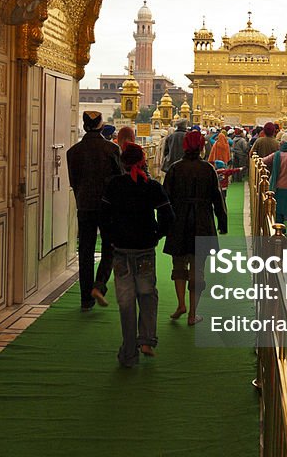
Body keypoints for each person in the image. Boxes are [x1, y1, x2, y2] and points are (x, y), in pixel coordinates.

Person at [100, 143, 174, 368]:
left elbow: (103, 217)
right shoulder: (151, 186)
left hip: (121, 249)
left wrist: (111, 238)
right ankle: (147, 340)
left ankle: (129, 352)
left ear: (122, 163)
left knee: (125, 301)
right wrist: (156, 235)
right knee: (147, 293)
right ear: (143, 161)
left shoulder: (114, 185)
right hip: (144, 249)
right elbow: (168, 217)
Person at [163, 129, 227, 325]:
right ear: (201, 146)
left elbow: (165, 198)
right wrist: (222, 223)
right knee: (197, 269)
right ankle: (192, 314)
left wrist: (164, 225)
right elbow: (217, 198)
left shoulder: (175, 168)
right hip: (202, 220)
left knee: (179, 264)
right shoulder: (208, 169)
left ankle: (181, 304)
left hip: (179, 220)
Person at [66, 110, 122, 310]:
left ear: (84, 125)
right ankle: (99, 285)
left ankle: (85, 300)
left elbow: (73, 181)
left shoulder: (73, 152)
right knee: (110, 246)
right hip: (108, 206)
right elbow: (119, 179)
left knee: (86, 250)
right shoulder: (111, 149)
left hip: (85, 205)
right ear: (100, 125)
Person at [261, 140, 287, 236]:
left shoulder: (275, 155)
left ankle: (279, 229)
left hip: (275, 187)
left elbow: (263, 161)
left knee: (278, 210)